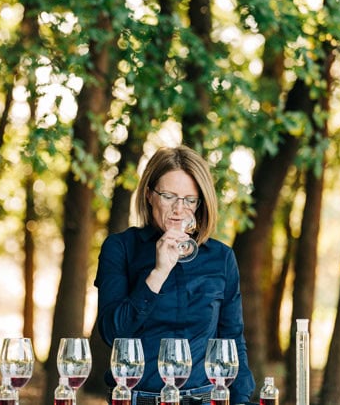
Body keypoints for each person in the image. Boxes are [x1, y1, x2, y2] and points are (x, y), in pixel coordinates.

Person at [94, 145, 255, 405]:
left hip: (206, 399)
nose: (180, 209)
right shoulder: (121, 248)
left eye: (190, 200)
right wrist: (158, 272)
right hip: (136, 399)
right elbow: (112, 333)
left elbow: (233, 340)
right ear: (149, 194)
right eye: (169, 196)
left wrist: (241, 399)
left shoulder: (221, 258)